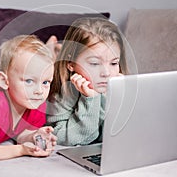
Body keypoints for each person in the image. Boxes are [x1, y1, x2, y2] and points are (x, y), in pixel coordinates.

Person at [46, 17, 129, 146]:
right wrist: (91, 99)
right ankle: (50, 50)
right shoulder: (63, 93)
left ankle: (55, 49)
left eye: (113, 63)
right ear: (71, 63)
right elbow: (62, 138)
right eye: (95, 63)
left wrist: (110, 98)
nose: (106, 73)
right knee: (40, 66)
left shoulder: (120, 86)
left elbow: (114, 135)